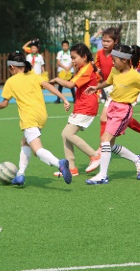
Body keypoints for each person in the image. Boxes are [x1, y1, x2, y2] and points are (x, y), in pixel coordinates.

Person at [87, 42, 140, 184]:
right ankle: (138, 159)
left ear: (124, 60)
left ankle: (102, 175)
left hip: (123, 111)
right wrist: (96, 87)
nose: (113, 63)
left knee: (105, 140)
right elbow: (108, 82)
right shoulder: (115, 71)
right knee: (110, 145)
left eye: (115, 60)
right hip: (112, 107)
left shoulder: (135, 76)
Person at [0, 50, 71, 186]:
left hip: (29, 118)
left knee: (37, 150)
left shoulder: (11, 82)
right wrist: (64, 99)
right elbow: (49, 86)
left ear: (12, 67)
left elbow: (4, 103)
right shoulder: (34, 76)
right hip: (41, 115)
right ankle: (20, 174)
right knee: (25, 142)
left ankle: (59, 163)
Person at [50, 42, 99, 179]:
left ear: (84, 57)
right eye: (71, 58)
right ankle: (71, 168)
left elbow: (70, 84)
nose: (72, 61)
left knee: (68, 133)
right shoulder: (85, 68)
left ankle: (95, 156)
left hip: (87, 106)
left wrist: (56, 79)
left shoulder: (86, 69)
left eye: (74, 58)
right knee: (65, 134)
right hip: (81, 105)